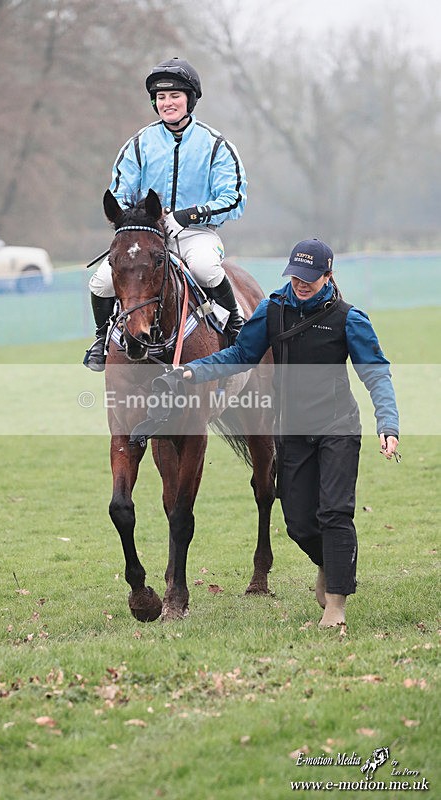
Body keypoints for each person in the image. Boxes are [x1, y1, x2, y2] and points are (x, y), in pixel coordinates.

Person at [180, 238, 400, 628]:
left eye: (310, 277)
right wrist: (195, 370)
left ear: (328, 276)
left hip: (337, 428)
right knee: (298, 523)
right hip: (291, 429)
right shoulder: (272, 311)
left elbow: (376, 372)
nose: (301, 283)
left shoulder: (349, 319)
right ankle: (329, 563)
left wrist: (388, 424)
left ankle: (336, 605)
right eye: (296, 275)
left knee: (334, 512)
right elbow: (240, 355)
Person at [84, 56, 247, 371]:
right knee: (101, 282)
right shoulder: (138, 144)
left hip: (195, 231)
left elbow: (234, 197)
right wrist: (135, 219)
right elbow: (120, 193)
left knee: (206, 267)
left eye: (175, 96)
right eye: (161, 97)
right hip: (146, 232)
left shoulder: (216, 146)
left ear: (190, 99)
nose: (167, 103)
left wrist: (188, 215)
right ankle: (102, 337)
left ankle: (236, 328)